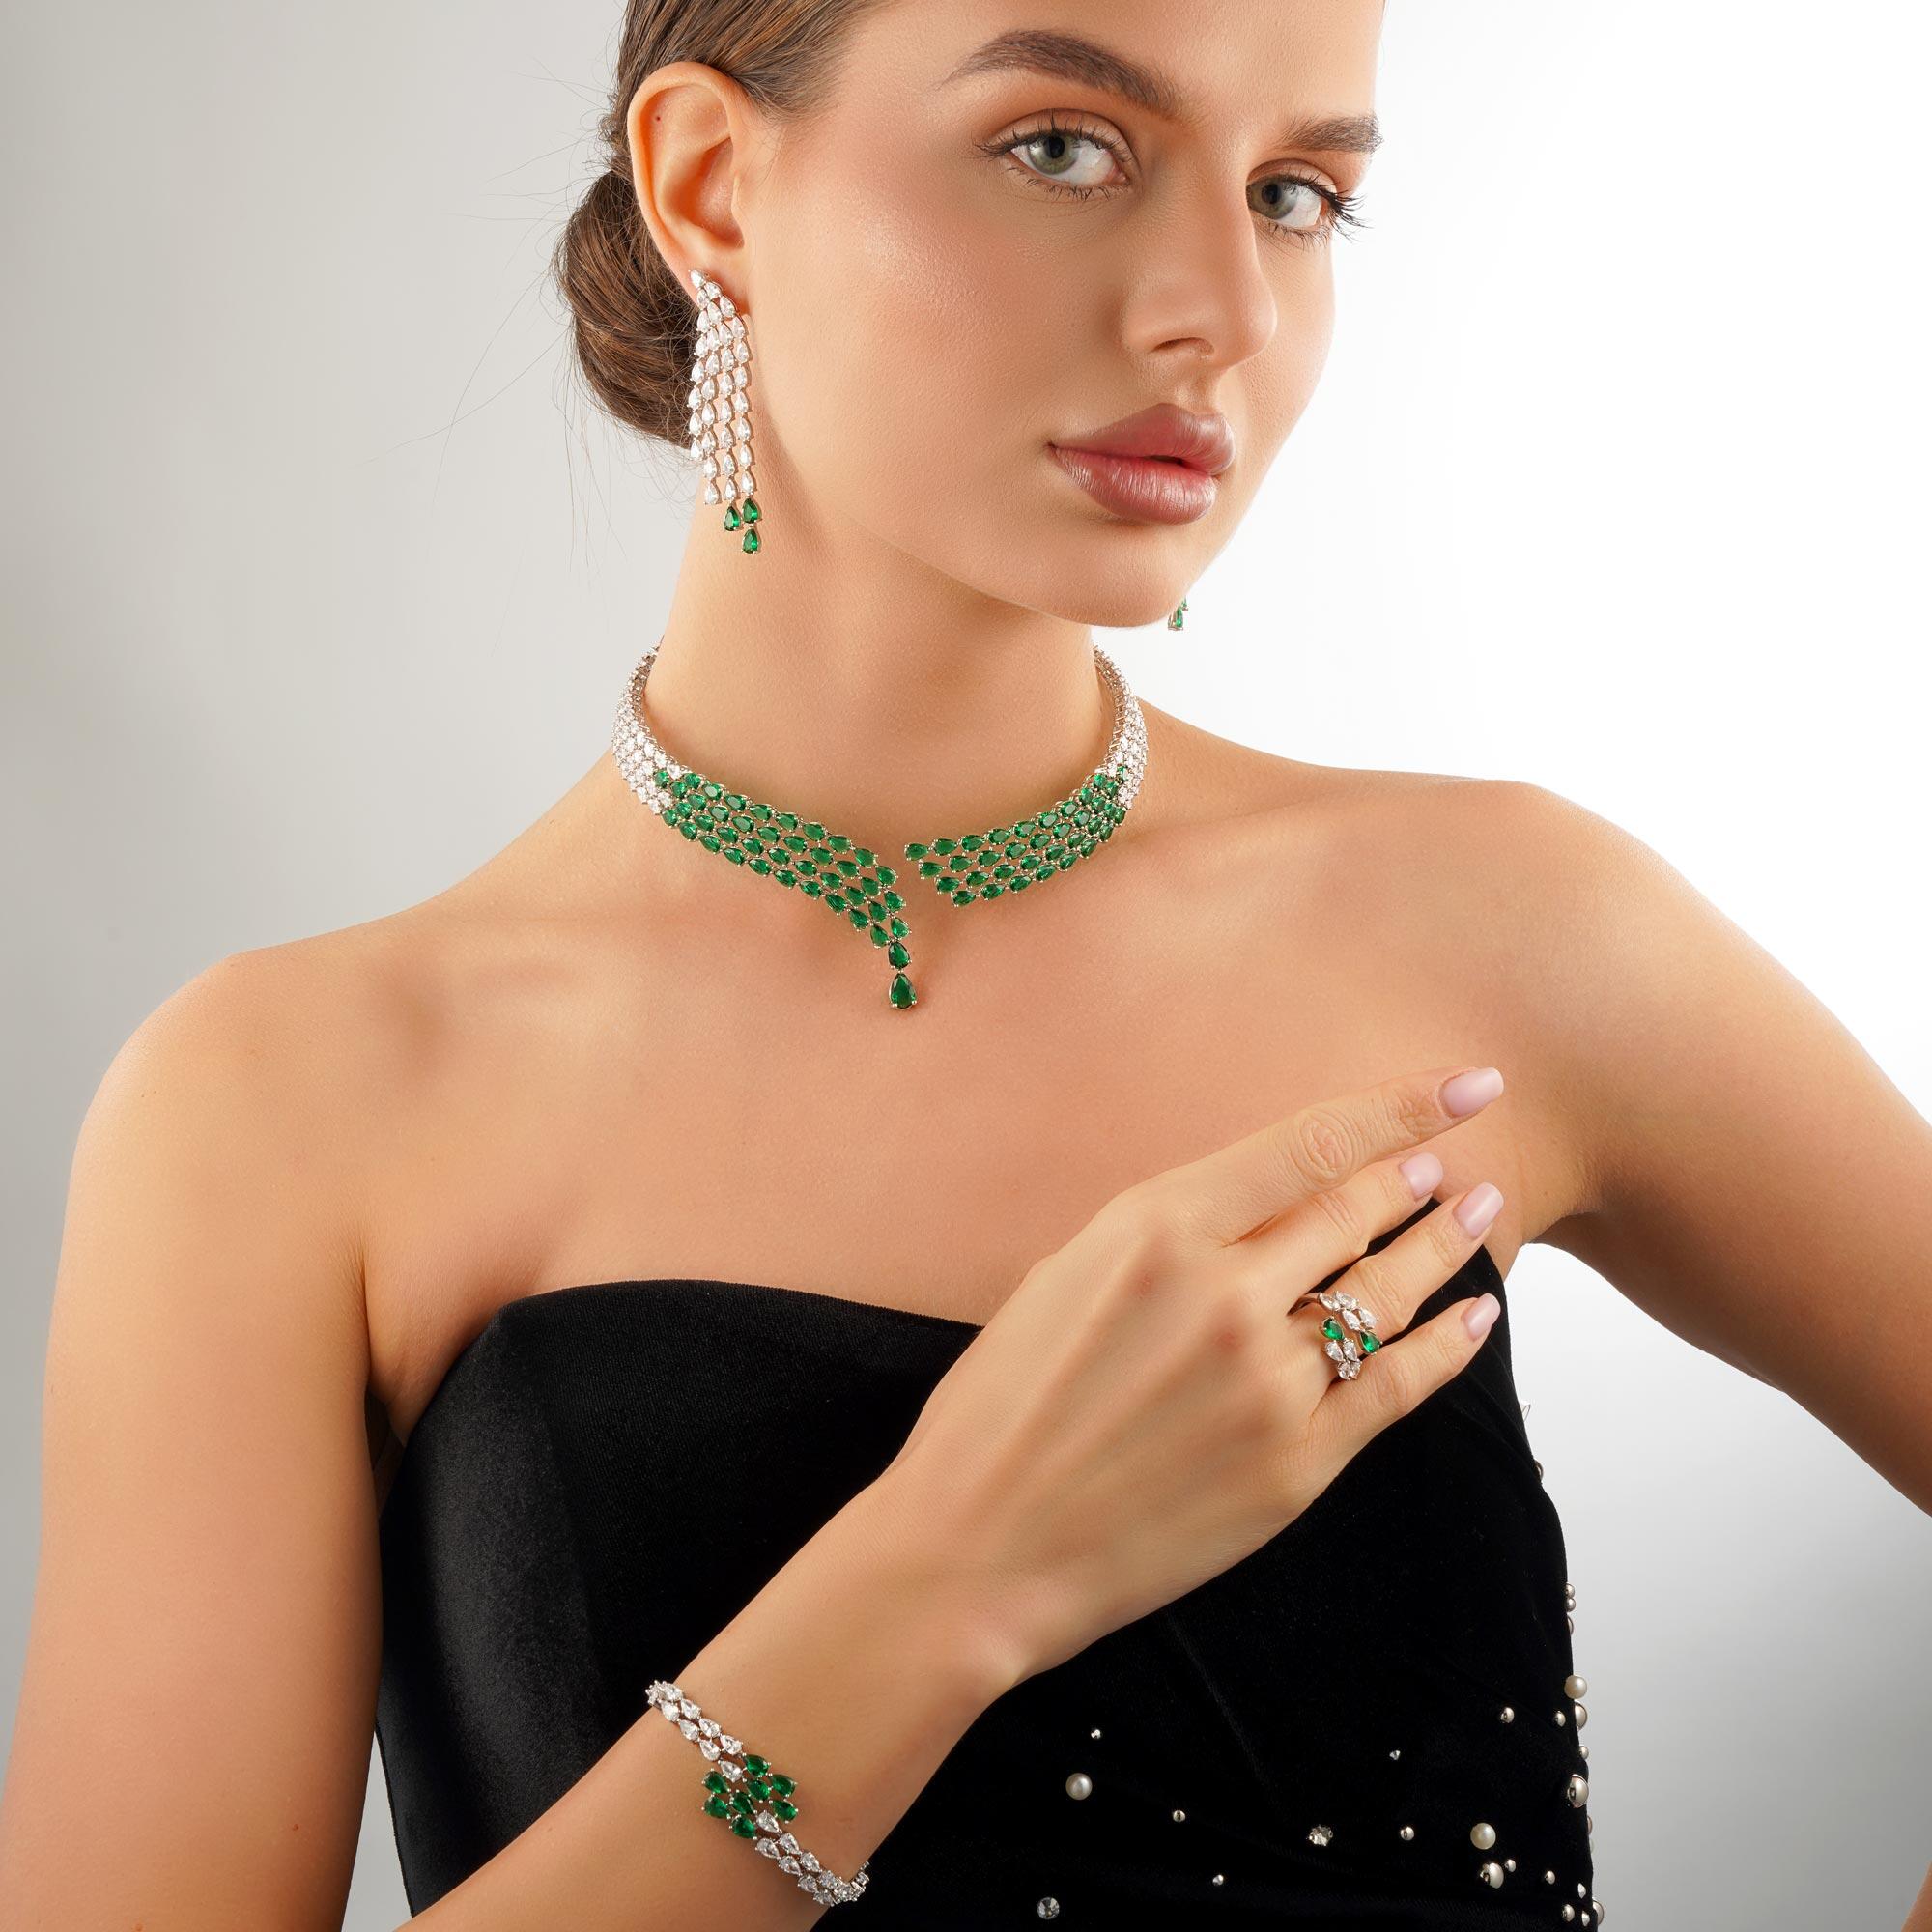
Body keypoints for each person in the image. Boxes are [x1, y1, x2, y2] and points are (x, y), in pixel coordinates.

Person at [3, 3, 1928, 1927]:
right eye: (1063, 148)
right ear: (711, 185)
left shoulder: (1514, 934)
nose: (1221, 311)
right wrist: (953, 1574)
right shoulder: (286, 1107)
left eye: (1293, 194)